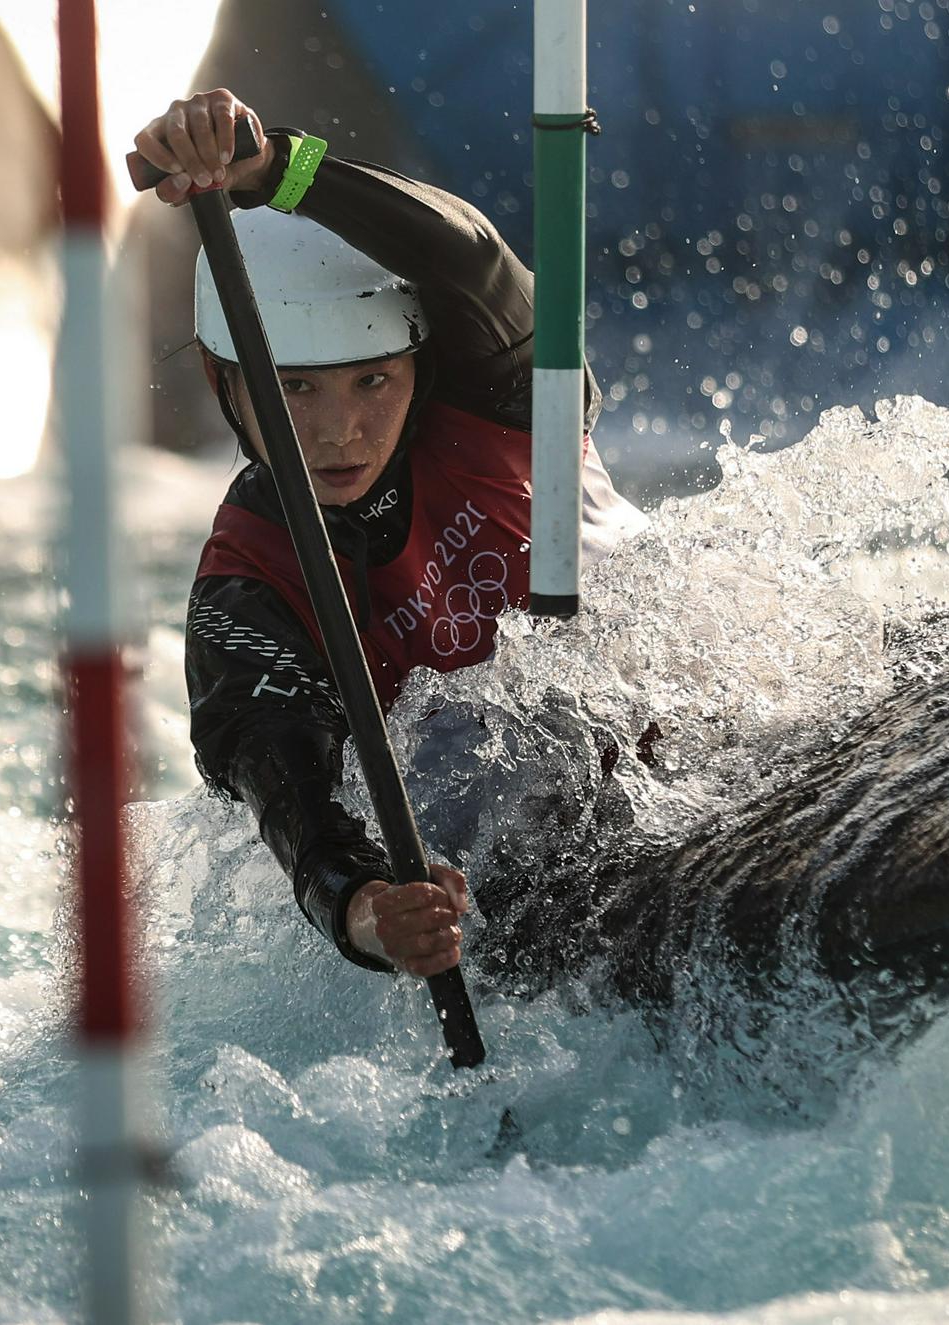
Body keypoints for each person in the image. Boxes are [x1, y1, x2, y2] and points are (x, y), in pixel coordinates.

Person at [134, 90, 645, 981]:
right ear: (227, 383)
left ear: (419, 359)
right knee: (458, 749)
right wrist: (369, 912)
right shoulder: (247, 590)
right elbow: (294, 803)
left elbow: (472, 259)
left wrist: (279, 168)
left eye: (372, 381)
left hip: (684, 751)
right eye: (295, 388)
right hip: (516, 887)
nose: (340, 433)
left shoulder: (505, 399)